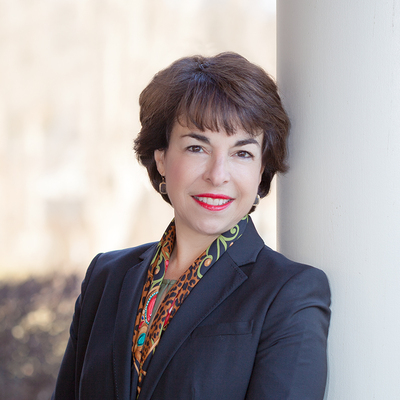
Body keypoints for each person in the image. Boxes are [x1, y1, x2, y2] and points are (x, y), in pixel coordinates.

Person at [52, 52, 331, 400]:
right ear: (161, 158)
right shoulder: (105, 277)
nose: (218, 174)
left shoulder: (289, 293)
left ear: (261, 169)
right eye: (197, 148)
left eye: (242, 153)